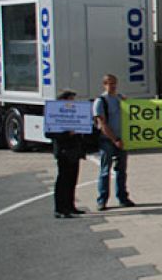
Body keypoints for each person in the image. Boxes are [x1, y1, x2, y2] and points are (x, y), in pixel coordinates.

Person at [93, 74, 135, 211]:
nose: (113, 86)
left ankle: (123, 198)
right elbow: (102, 124)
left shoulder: (119, 98)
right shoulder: (101, 101)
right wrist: (115, 139)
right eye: (110, 84)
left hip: (122, 140)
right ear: (104, 84)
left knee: (121, 171)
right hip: (108, 140)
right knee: (105, 171)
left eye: (115, 83)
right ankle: (102, 200)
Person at [46, 90, 86, 218]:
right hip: (63, 150)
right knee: (63, 180)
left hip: (74, 150)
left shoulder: (74, 112)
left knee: (72, 180)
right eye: (70, 99)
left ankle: (70, 206)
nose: (72, 102)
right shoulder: (54, 112)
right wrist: (67, 133)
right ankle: (60, 208)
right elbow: (49, 133)